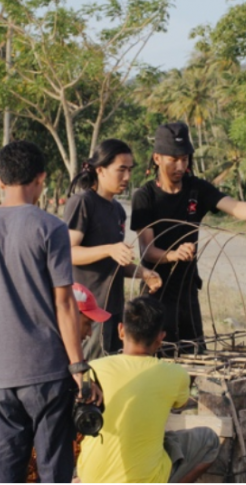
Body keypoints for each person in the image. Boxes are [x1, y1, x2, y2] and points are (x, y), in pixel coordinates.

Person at [0, 140, 100, 483]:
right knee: (54, 469)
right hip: (49, 374)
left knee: (7, 473)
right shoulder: (50, 228)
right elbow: (65, 303)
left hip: (3, 379)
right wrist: (78, 368)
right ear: (41, 179)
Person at [130, 122, 246, 351]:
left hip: (187, 293)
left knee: (194, 357)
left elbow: (233, 206)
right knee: (157, 360)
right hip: (156, 293)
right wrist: (175, 254)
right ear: (157, 158)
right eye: (173, 159)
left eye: (185, 159)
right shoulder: (145, 196)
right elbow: (148, 250)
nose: (180, 166)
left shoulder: (196, 189)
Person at [0, 283, 111, 482]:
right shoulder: (54, 361)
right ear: (69, 316)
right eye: (87, 323)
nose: (89, 333)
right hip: (6, 459)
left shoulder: (28, 345)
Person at [77, 296, 220, 483]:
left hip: (90, 477)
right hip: (146, 478)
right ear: (160, 338)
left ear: (121, 330)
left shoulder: (93, 369)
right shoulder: (175, 374)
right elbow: (180, 402)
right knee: (209, 440)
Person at [65, 138, 161, 358]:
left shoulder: (117, 210)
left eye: (129, 170)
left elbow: (115, 261)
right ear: (101, 170)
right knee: (88, 377)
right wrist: (109, 249)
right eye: (121, 170)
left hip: (113, 310)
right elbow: (68, 252)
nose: (127, 177)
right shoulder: (82, 203)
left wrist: (142, 273)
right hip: (87, 312)